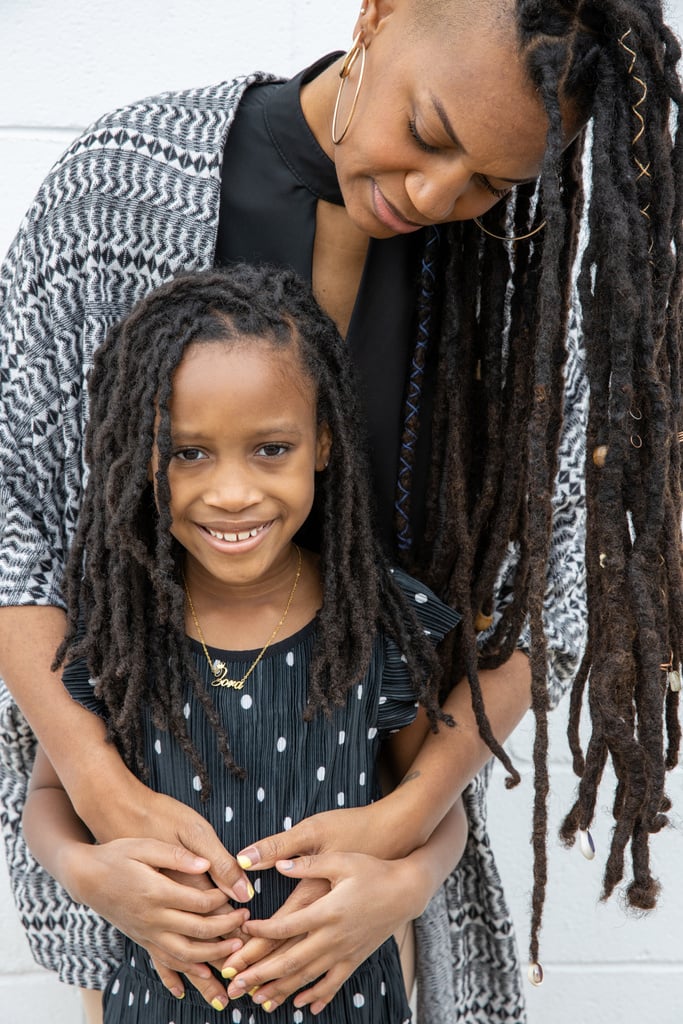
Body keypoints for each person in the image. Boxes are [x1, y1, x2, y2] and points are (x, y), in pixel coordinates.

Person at [0, 1, 681, 1022]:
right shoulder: (119, 189)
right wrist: (99, 795)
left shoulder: (526, 274)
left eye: (494, 181)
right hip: (151, 928)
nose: (437, 195)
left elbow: (557, 593)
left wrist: (406, 837)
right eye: (428, 133)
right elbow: (12, 511)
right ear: (379, 13)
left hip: (369, 932)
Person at [22, 263, 468, 1023]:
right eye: (189, 453)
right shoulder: (115, 631)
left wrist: (413, 882)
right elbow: (48, 795)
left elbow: (434, 802)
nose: (232, 493)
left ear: (322, 443)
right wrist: (85, 872)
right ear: (143, 453)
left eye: (270, 450)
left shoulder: (383, 623)